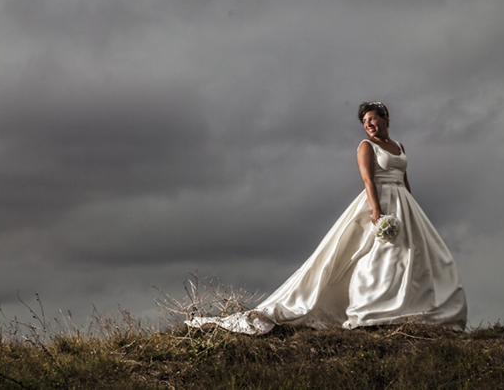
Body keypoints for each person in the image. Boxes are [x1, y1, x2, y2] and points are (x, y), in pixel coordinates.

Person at [189, 102, 467, 334]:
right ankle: (370, 309)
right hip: (378, 200)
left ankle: (412, 308)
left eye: (372, 119)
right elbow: (368, 180)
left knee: (413, 256)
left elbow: (405, 181)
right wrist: (376, 210)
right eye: (365, 121)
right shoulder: (366, 146)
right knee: (376, 256)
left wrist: (411, 208)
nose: (369, 124)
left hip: (404, 204)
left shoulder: (400, 146)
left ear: (385, 119)